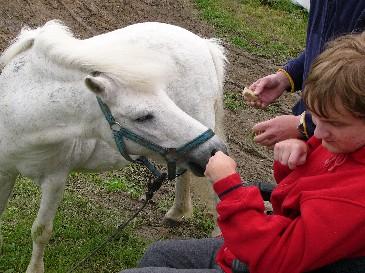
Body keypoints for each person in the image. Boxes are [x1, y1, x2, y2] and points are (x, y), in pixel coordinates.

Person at [119, 32, 365, 273]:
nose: (318, 133)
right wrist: (294, 159)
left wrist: (230, 187)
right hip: (260, 245)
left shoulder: (356, 198)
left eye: (334, 124)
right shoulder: (342, 142)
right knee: (158, 254)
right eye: (314, 118)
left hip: (266, 256)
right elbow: (295, 191)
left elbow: (275, 259)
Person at [245, 0, 365, 147]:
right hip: (319, 125)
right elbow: (325, 44)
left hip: (343, 145)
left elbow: (356, 68)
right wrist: (286, 77)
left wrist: (304, 124)